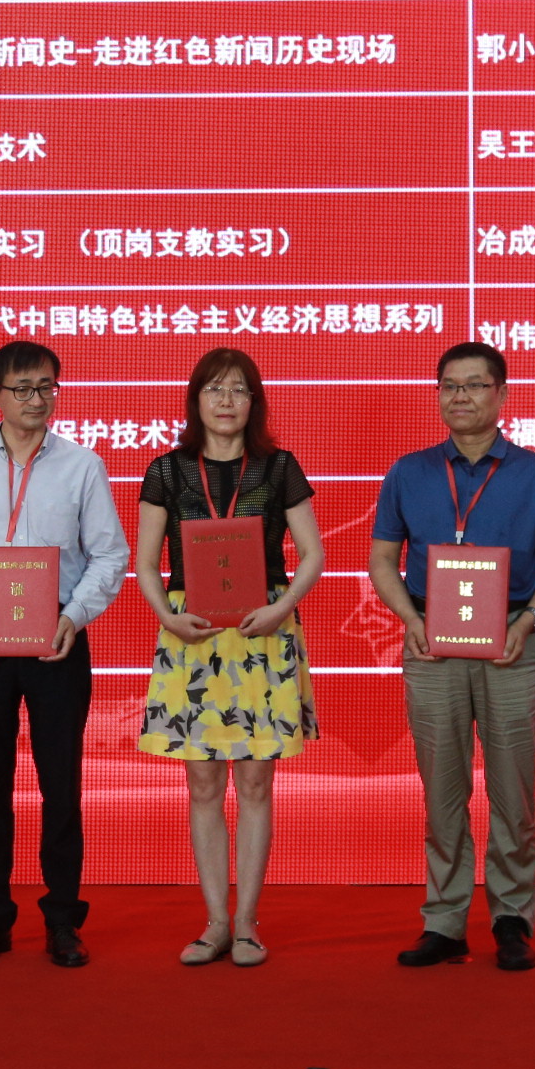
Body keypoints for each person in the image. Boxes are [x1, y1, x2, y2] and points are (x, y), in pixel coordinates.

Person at [368, 342, 535, 972]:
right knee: (442, 788)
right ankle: (444, 921)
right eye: (449, 386)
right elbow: (382, 560)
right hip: (432, 643)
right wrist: (409, 621)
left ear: (501, 395)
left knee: (514, 788)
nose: (459, 396)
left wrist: (529, 621)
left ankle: (512, 917)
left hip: (512, 642)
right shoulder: (409, 472)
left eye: (474, 385)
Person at [0, 339, 128, 969]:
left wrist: (72, 617)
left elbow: (110, 555)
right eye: (23, 389)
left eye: (46, 387)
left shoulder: (82, 466)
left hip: (58, 639)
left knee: (61, 783)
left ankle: (62, 920)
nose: (37, 400)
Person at [133, 348, 323, 967]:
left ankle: (246, 924)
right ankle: (214, 921)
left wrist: (280, 608)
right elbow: (146, 562)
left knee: (257, 781)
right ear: (196, 400)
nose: (225, 401)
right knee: (203, 781)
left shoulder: (278, 467)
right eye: (214, 389)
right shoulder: (167, 470)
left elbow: (313, 554)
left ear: (253, 402)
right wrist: (167, 617)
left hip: (262, 630)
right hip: (192, 633)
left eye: (239, 390)